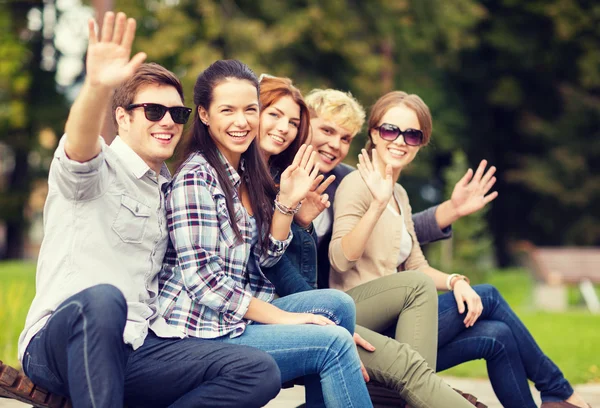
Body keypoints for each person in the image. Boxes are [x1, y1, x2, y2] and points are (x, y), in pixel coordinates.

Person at [17, 13, 281, 408]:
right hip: (60, 342)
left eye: (177, 113)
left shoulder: (170, 188)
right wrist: (96, 87)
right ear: (122, 117)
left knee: (258, 370)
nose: (168, 122)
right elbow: (79, 142)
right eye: (153, 112)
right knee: (103, 301)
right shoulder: (97, 169)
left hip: (138, 347)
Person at [329, 90, 591, 408]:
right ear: (373, 133)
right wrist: (376, 205)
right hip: (365, 320)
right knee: (490, 295)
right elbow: (341, 259)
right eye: (390, 130)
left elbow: (416, 264)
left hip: (402, 321)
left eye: (412, 135)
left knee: (498, 336)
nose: (400, 141)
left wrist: (455, 280)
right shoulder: (357, 185)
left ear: (421, 143)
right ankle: (558, 390)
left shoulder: (399, 194)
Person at [158, 59, 373, 408]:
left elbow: (264, 258)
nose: (242, 121)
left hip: (230, 319)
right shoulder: (197, 177)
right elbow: (202, 280)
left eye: (250, 110)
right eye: (227, 110)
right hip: (200, 330)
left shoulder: (245, 170)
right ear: (205, 115)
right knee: (333, 342)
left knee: (338, 304)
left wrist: (286, 204)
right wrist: (287, 319)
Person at [263, 85, 491, 407]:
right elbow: (298, 262)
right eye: (326, 130)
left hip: (338, 306)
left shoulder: (360, 182)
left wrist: (455, 277)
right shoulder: (332, 181)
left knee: (488, 330)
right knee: (441, 312)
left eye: (344, 138)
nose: (335, 145)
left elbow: (407, 250)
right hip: (318, 308)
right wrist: (324, 315)